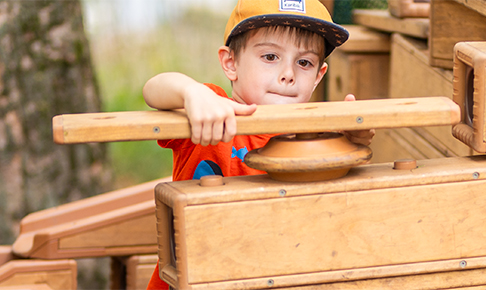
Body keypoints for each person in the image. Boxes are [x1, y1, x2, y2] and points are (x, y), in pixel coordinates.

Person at [141, 0, 371, 288]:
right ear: (230, 63)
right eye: (270, 56)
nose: (288, 74)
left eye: (304, 62)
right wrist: (191, 93)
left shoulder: (317, 136)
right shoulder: (213, 110)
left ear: (318, 77)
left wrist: (348, 147)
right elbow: (154, 88)